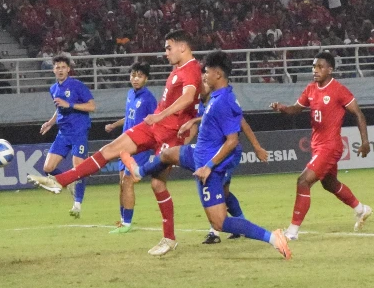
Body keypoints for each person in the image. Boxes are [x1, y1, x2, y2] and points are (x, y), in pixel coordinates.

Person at [28, 30, 203, 256]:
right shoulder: (177, 70)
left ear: (182, 47)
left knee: (157, 185)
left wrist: (171, 119)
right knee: (109, 149)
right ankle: (59, 181)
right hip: (153, 127)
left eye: (168, 47)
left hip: (170, 134)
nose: (165, 52)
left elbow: (189, 98)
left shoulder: (192, 69)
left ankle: (169, 238)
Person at [121, 51, 292, 260]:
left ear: (218, 74)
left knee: (219, 222)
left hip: (207, 166)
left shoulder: (223, 102)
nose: (204, 75)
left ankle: (273, 238)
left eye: (207, 72)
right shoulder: (218, 96)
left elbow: (232, 141)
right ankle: (139, 171)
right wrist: (194, 121)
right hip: (197, 154)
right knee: (166, 154)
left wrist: (209, 166)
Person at [144, 71, 269, 244]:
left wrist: (256, 147)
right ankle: (239, 224)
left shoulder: (223, 100)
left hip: (225, 156)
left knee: (219, 195)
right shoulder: (204, 103)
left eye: (203, 80)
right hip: (208, 153)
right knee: (223, 193)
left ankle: (222, 230)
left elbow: (240, 124)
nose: (200, 85)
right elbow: (203, 124)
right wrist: (191, 129)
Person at [269, 51, 371, 240]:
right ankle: (361, 209)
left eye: (320, 67)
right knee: (329, 183)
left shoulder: (338, 90)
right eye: (314, 66)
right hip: (318, 145)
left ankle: (292, 232)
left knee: (303, 181)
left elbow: (358, 114)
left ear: (330, 69)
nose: (315, 70)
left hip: (330, 146)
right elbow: (296, 109)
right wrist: (282, 108)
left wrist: (365, 141)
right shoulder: (311, 89)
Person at [40, 55, 96, 218]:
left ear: (68, 69)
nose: (60, 70)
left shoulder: (77, 85)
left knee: (79, 169)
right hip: (63, 133)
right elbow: (59, 109)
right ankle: (68, 181)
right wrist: (50, 122)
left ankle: (77, 205)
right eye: (57, 67)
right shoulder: (53, 89)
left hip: (79, 132)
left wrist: (70, 105)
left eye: (63, 67)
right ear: (53, 70)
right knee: (48, 168)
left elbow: (92, 107)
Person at [104, 62, 157, 234]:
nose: (135, 79)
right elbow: (129, 116)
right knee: (122, 183)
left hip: (139, 146)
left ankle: (127, 224)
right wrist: (114, 125)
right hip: (126, 144)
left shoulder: (149, 99)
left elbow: (156, 122)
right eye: (133, 75)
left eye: (140, 76)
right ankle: (122, 221)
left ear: (146, 79)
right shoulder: (130, 94)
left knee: (128, 181)